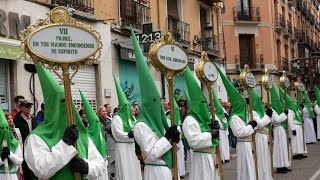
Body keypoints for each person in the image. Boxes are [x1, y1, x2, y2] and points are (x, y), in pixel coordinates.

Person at [24, 66, 105, 179]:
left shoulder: (81, 135)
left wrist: (87, 167)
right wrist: (65, 144)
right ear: (51, 108)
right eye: (62, 103)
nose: (67, 108)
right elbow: (41, 169)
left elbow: (100, 164)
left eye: (69, 103)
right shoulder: (36, 137)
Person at [131, 29, 180, 180]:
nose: (157, 105)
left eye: (158, 101)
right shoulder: (141, 126)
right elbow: (151, 153)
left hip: (167, 170)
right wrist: (167, 138)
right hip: (155, 172)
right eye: (153, 102)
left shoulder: (159, 123)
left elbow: (173, 148)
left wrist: (175, 136)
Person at [216, 63, 256, 180]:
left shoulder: (242, 117)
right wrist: (250, 126)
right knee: (244, 169)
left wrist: (250, 125)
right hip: (242, 144)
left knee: (250, 168)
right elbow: (239, 133)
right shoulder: (234, 118)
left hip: (248, 144)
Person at [182, 67, 220, 180]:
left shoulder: (203, 119)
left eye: (205, 102)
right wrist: (210, 134)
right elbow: (194, 141)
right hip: (200, 158)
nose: (204, 105)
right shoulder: (190, 120)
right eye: (202, 103)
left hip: (210, 156)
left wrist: (214, 128)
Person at [111, 75, 142, 180]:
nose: (127, 109)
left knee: (134, 168)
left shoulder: (132, 117)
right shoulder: (117, 118)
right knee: (125, 169)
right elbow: (118, 133)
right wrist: (128, 135)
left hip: (133, 147)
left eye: (128, 106)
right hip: (123, 147)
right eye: (125, 107)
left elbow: (137, 126)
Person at [80, 90, 108, 180]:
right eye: (95, 122)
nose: (97, 124)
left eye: (98, 122)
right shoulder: (88, 136)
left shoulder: (99, 131)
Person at [279, 86, 307, 160]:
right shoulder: (290, 111)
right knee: (295, 141)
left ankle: (300, 152)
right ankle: (295, 154)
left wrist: (303, 108)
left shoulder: (296, 110)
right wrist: (292, 129)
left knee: (300, 141)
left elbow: (302, 115)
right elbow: (290, 120)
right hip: (295, 127)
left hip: (299, 126)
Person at [251, 89, 273, 179]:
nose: (260, 102)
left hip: (264, 136)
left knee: (265, 158)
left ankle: (266, 176)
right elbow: (259, 124)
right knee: (260, 159)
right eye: (257, 100)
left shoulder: (261, 111)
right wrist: (267, 116)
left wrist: (269, 116)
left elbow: (268, 123)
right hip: (258, 137)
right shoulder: (253, 112)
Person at [270, 85, 291, 173]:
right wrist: (284, 114)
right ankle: (279, 166)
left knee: (284, 148)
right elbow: (277, 120)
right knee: (279, 148)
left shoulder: (279, 109)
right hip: (277, 129)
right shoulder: (272, 110)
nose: (278, 102)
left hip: (282, 130)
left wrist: (285, 114)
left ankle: (284, 164)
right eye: (277, 101)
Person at [13, 100, 37, 180]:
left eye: (30, 106)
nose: (29, 108)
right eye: (27, 106)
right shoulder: (17, 120)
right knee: (25, 168)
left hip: (33, 146)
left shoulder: (32, 119)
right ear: (22, 108)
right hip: (22, 146)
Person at [0, 107, 23, 180]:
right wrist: (1, 159)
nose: (5, 131)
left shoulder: (15, 143)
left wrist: (10, 154)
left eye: (6, 128)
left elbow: (19, 161)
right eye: (2, 128)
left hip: (12, 176)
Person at [97, 105, 116, 179]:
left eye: (105, 111)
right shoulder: (97, 121)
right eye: (103, 111)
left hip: (109, 144)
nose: (105, 112)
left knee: (110, 161)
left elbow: (111, 130)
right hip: (102, 143)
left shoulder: (109, 120)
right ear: (99, 112)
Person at [212, 89, 230, 163]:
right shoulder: (215, 116)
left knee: (225, 145)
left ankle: (226, 157)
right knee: (221, 145)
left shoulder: (223, 116)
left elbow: (226, 123)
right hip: (219, 132)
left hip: (224, 132)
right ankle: (221, 157)